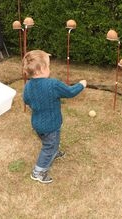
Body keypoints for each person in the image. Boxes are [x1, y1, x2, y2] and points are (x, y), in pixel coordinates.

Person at [22, 50, 87, 184]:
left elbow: (26, 100)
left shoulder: (28, 85)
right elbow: (70, 92)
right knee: (48, 147)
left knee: (52, 141)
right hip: (50, 125)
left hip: (37, 123)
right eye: (48, 66)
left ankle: (54, 152)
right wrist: (81, 85)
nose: (50, 69)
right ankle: (38, 172)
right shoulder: (52, 84)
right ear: (41, 69)